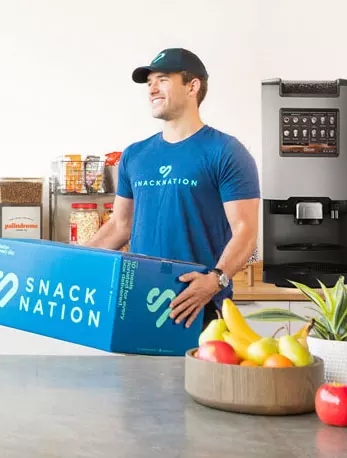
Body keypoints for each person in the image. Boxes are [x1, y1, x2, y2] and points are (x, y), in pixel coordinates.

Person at [85, 48, 260, 329]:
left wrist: (216, 279)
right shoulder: (135, 155)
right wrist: (73, 263)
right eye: (149, 82)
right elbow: (120, 226)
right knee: (134, 375)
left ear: (193, 86)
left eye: (163, 79)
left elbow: (246, 231)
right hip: (140, 303)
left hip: (199, 305)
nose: (152, 88)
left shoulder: (226, 151)